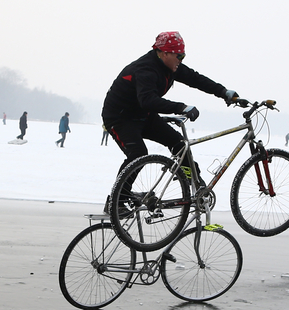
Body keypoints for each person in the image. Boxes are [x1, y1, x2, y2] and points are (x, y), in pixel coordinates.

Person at [101, 31, 240, 211]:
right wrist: (180, 107)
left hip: (144, 115)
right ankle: (116, 202)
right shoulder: (146, 70)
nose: (181, 60)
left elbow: (195, 79)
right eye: (179, 56)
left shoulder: (170, 66)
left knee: (179, 144)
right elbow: (147, 100)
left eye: (183, 56)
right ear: (165, 53)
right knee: (138, 153)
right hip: (120, 117)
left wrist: (223, 92)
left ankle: (194, 183)